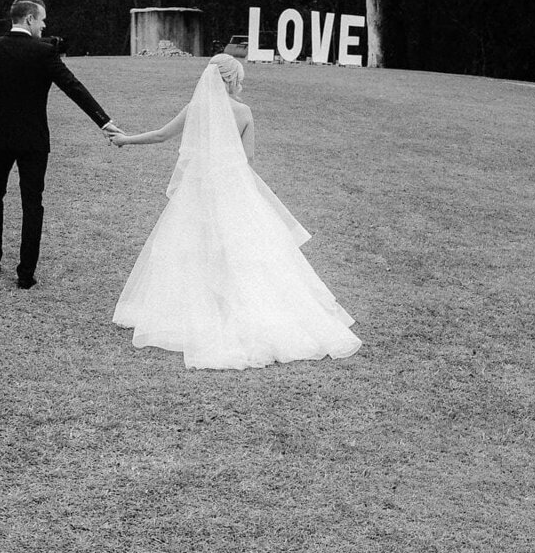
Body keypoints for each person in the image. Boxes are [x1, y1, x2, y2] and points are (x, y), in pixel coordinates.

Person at [109, 54, 360, 369]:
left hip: (196, 193)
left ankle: (197, 309)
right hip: (231, 191)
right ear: (230, 80)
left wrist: (125, 140)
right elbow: (248, 160)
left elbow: (161, 135)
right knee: (244, 251)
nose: (241, 83)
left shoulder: (195, 110)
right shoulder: (242, 113)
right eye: (239, 78)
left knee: (191, 249)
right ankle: (237, 309)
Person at [0, 0, 123, 289]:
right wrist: (103, 121)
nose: (44, 25)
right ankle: (25, 274)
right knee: (32, 203)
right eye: (41, 19)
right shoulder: (44, 52)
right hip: (34, 140)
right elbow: (73, 87)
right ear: (28, 19)